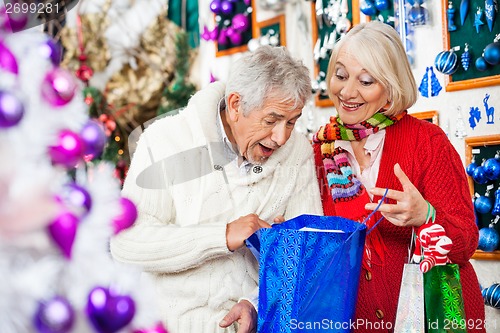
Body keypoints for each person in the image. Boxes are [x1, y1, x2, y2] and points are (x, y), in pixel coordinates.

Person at [110, 45, 322, 333]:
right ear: (235, 105)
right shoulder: (165, 140)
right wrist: (221, 236)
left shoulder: (298, 153)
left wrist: (256, 304)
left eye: (292, 122)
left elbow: (311, 254)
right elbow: (126, 242)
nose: (282, 136)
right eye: (271, 120)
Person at [312, 21, 485, 333]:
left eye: (365, 81)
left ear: (391, 88)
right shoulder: (317, 151)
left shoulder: (427, 141)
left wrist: (426, 216)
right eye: (340, 75)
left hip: (439, 321)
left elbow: (466, 244)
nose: (347, 91)